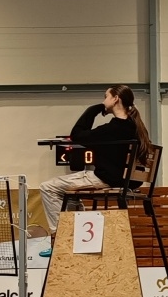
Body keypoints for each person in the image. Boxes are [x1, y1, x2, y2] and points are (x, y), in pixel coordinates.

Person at [38, 85, 149, 252]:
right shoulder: (135, 127)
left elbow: (77, 135)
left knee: (47, 187)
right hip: (126, 181)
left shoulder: (112, 129)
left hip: (106, 179)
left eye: (105, 97)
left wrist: (94, 109)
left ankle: (59, 239)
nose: (103, 101)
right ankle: (78, 237)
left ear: (115, 99)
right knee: (71, 195)